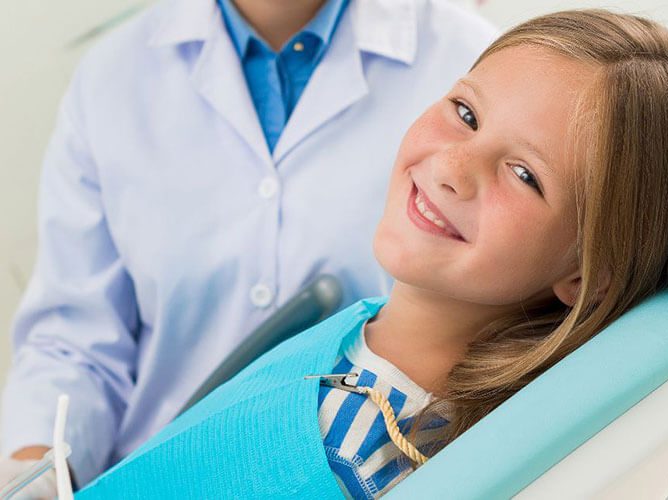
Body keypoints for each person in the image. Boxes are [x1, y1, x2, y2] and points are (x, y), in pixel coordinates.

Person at [70, 9, 668, 499]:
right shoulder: (364, 349)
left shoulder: (353, 456)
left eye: (525, 175)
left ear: (584, 275)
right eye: (467, 113)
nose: (454, 166)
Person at [0, 0, 498, 494]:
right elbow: (75, 342)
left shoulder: (467, 64)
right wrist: (34, 474)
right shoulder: (111, 78)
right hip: (153, 474)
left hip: (360, 472)